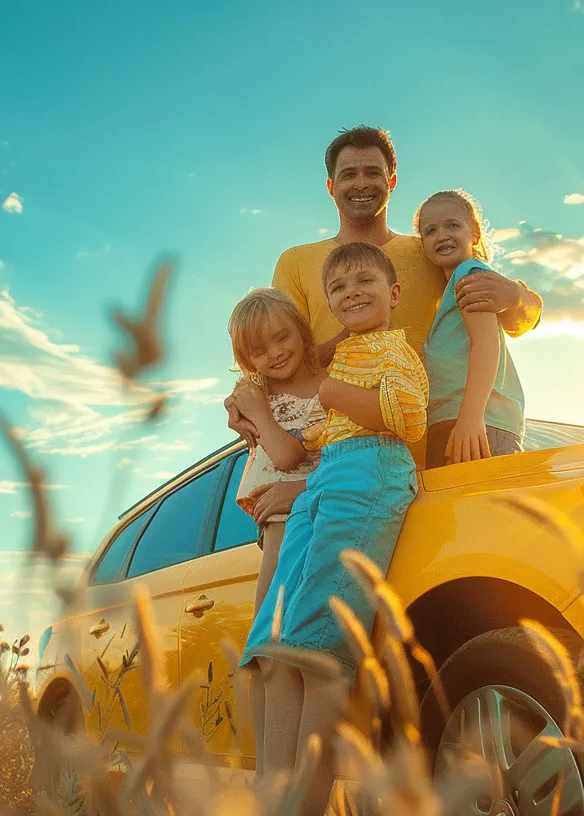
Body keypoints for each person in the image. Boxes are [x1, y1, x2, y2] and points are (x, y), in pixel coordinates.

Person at [226, 126, 542, 522]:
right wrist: (243, 396)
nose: (362, 183)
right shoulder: (295, 262)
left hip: (438, 454)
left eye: (373, 172)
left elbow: (510, 321)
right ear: (330, 186)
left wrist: (516, 296)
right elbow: (277, 356)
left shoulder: (428, 247)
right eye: (349, 174)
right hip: (341, 474)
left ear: (391, 181)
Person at [240, 242, 427, 816]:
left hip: (370, 470)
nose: (352, 293)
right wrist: (256, 411)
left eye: (364, 281)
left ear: (395, 294)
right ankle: (277, 796)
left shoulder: (395, 351)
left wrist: (328, 393)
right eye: (339, 288)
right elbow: (320, 436)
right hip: (327, 481)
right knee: (277, 642)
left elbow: (410, 416)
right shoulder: (343, 359)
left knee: (320, 643)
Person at [225, 288, 329, 780]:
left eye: (282, 337)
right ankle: (273, 779)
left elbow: (301, 460)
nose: (274, 354)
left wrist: (255, 410)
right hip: (280, 521)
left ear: (303, 330)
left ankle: (281, 778)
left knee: (283, 643)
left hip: (320, 513)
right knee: (271, 646)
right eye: (257, 352)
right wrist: (247, 404)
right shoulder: (259, 396)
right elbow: (283, 459)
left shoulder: (335, 384)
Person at [416, 190, 526, 467]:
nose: (441, 235)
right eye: (430, 230)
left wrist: (470, 418)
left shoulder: (470, 274)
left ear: (474, 233)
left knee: (485, 510)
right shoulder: (453, 288)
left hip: (478, 424)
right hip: (456, 421)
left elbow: (485, 345)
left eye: (453, 225)